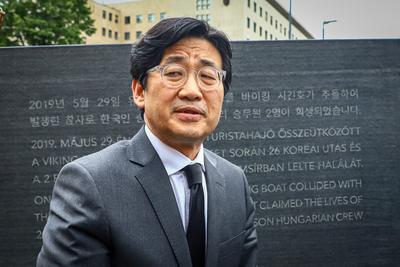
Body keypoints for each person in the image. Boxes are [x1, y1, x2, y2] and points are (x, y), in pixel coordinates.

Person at [37, 17, 257, 267]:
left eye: (208, 76)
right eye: (174, 73)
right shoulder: (90, 183)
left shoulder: (234, 181)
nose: (192, 91)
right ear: (140, 92)